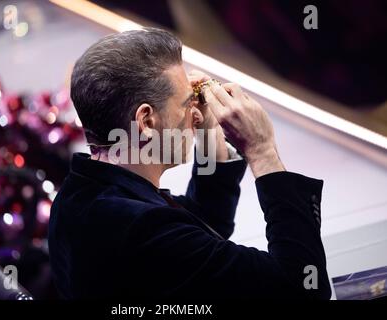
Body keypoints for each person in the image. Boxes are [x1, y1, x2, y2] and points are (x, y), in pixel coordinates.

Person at [48, 27, 331, 299]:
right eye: (186, 104)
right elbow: (301, 286)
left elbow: (206, 221)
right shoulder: (140, 230)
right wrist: (262, 151)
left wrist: (209, 135)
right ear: (146, 121)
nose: (195, 115)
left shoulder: (80, 195)